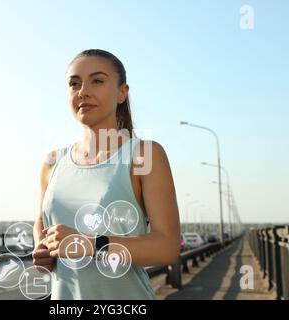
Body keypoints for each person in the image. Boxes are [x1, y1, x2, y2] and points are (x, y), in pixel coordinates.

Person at [32, 49, 180, 300]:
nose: (83, 91)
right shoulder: (52, 162)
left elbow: (166, 247)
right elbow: (41, 223)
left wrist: (91, 244)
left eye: (97, 81)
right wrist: (42, 247)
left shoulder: (144, 154)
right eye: (74, 84)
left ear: (122, 93)